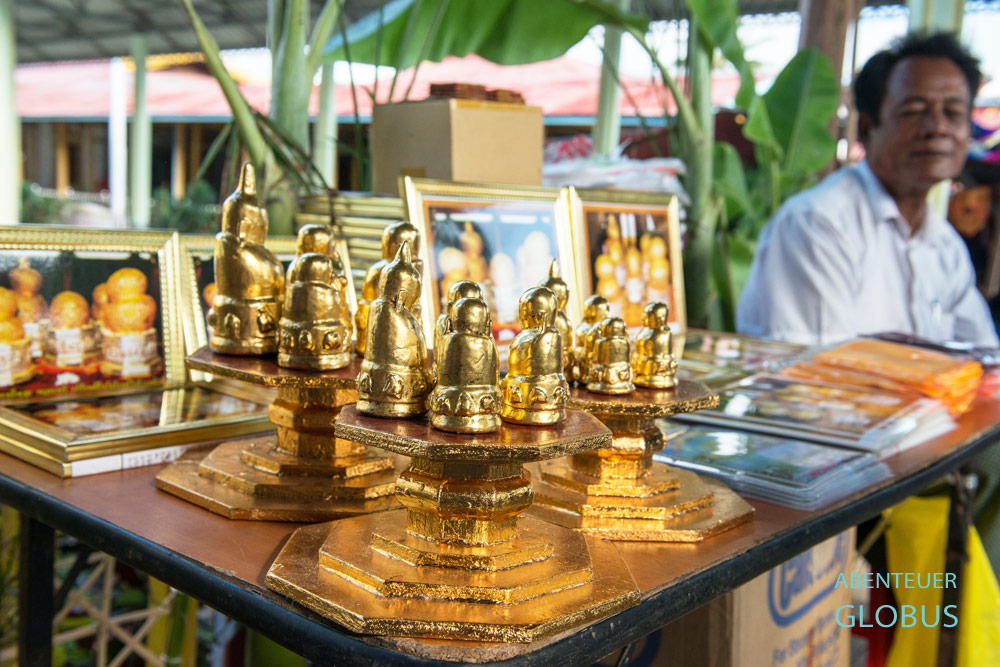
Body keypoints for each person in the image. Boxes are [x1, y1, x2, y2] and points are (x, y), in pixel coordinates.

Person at [737, 32, 999, 348]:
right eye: (914, 111)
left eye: (953, 112)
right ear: (866, 128)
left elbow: (986, 359)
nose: (937, 128)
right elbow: (817, 381)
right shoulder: (818, 225)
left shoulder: (945, 247)